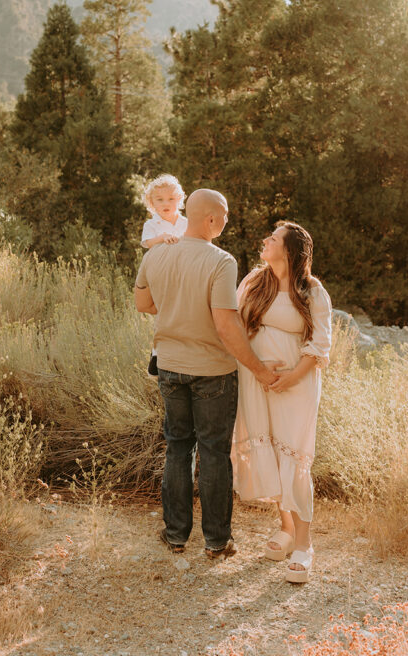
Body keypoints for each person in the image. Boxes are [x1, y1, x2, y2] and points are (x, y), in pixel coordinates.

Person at [134, 188, 280, 559]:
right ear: (211, 219)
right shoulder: (222, 261)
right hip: (212, 372)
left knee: (177, 448)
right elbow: (226, 326)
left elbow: (143, 303)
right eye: (226, 215)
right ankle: (217, 541)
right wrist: (261, 371)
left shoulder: (157, 254)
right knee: (214, 453)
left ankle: (175, 535)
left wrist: (177, 310)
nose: (227, 221)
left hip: (169, 366)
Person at [231, 221, 332, 583]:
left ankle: (305, 544)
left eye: (272, 239)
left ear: (288, 251)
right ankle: (286, 527)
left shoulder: (312, 291)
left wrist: (290, 376)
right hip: (257, 381)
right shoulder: (254, 281)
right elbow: (234, 327)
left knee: (295, 455)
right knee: (271, 451)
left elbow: (320, 344)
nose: (265, 242)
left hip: (296, 385)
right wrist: (257, 368)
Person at [140, 174, 188, 376]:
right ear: (152, 203)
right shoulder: (153, 225)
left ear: (179, 200)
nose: (165, 203)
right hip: (162, 273)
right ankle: (157, 353)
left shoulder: (186, 223)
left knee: (185, 311)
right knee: (163, 312)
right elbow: (147, 243)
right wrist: (162, 237)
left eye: (170, 199)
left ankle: (186, 351)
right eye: (159, 200)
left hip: (184, 273)